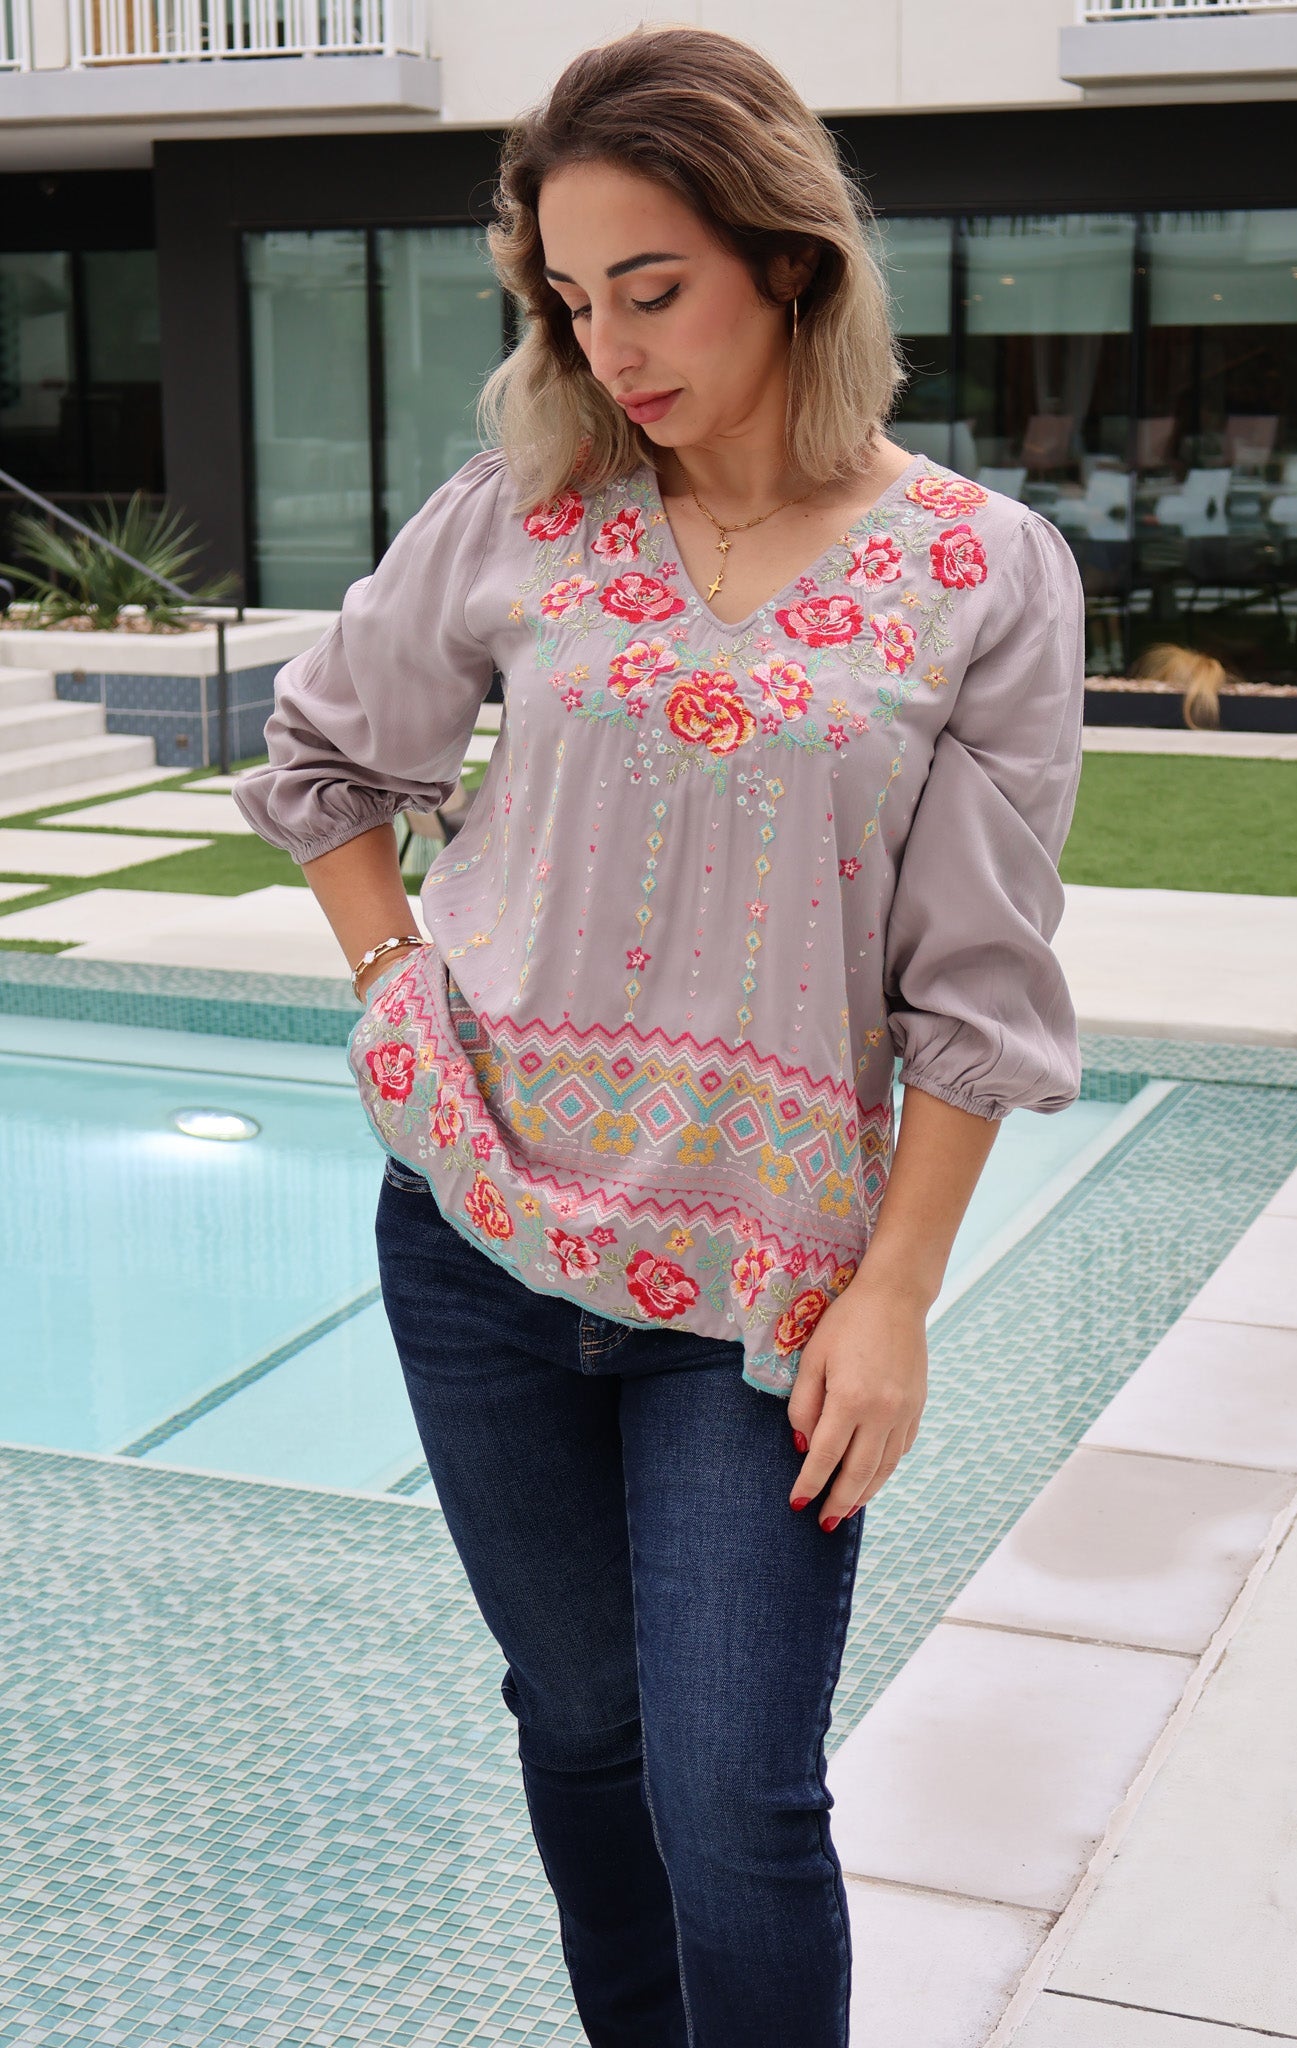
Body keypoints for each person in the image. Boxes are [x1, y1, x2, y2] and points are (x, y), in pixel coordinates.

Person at [235, 25, 1085, 2047]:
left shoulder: (976, 575)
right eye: (568, 297)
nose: (609, 346)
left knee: (739, 1795)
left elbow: (974, 987)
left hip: (764, 1290)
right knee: (587, 1733)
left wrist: (894, 1292)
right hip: (473, 1247)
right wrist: (397, 1006)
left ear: (786, 260)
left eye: (654, 285)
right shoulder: (522, 514)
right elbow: (324, 755)